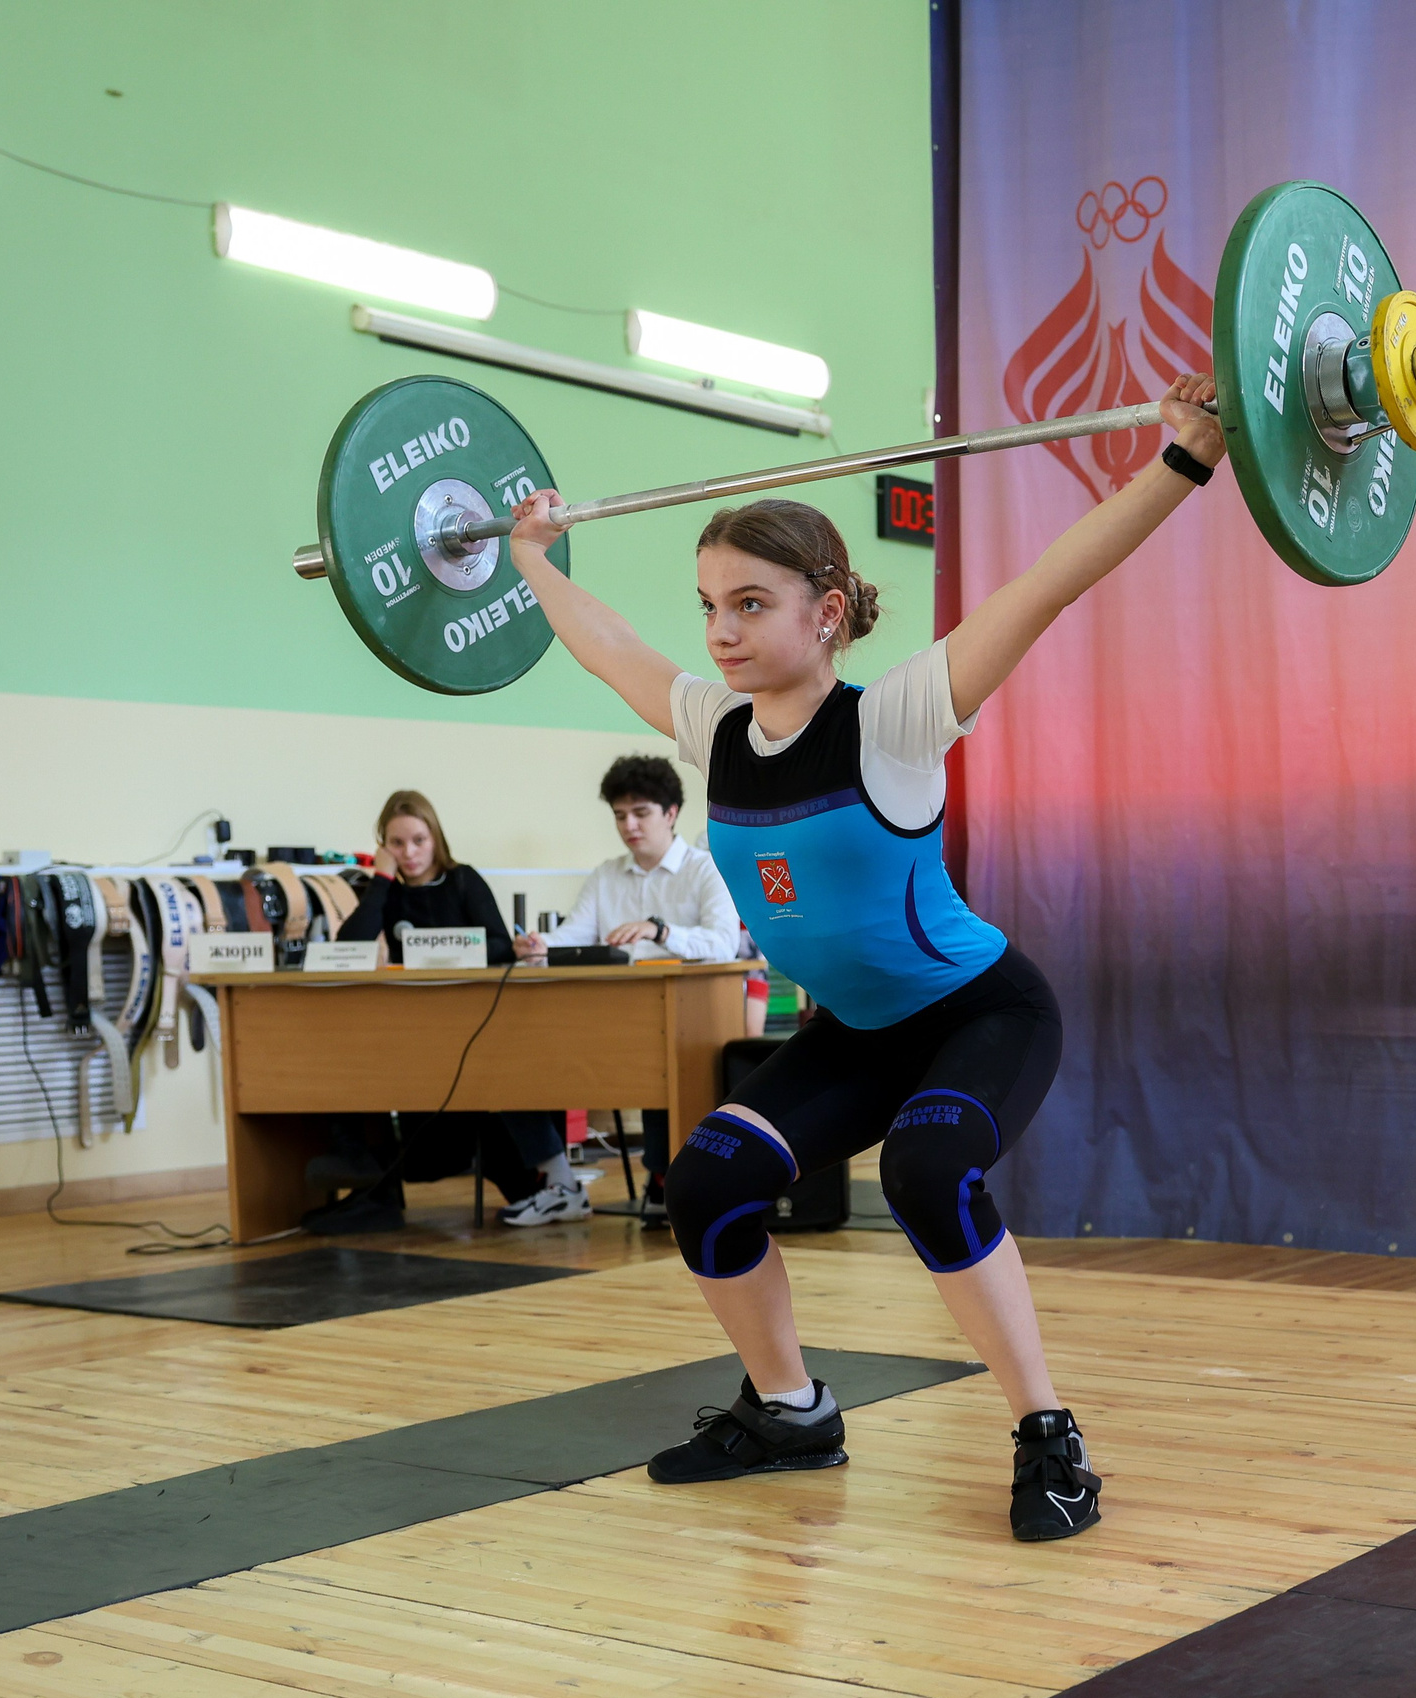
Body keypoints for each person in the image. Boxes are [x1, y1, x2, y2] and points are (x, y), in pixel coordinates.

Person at [505, 373, 1227, 1542]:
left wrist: (1183, 459)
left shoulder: (893, 719)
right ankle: (791, 1411)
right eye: (709, 608)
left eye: (750, 604)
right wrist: (535, 556)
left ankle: (1049, 1437)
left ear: (827, 612)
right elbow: (608, 648)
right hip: (858, 1031)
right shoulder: (711, 728)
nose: (722, 633)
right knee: (706, 1185)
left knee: (927, 1172)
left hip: (979, 1012)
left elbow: (1050, 585)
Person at [301, 789, 591, 1235]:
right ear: (384, 846)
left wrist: (454, 949)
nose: (409, 853)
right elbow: (352, 947)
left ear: (435, 838)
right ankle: (367, 1177)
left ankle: (540, 1179)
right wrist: (380, 879)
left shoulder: (463, 880)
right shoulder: (388, 893)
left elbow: (498, 944)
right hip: (413, 1031)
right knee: (355, 1064)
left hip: (475, 1023)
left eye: (418, 840)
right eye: (397, 844)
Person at [513, 755, 743, 1230]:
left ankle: (664, 1180)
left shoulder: (705, 870)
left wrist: (660, 932)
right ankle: (559, 1182)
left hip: (683, 1022)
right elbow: (574, 934)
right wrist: (540, 945)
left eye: (640, 813)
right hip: (607, 1018)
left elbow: (724, 943)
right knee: (521, 1061)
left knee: (663, 1060)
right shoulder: (606, 875)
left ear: (671, 813)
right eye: (620, 815)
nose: (629, 826)